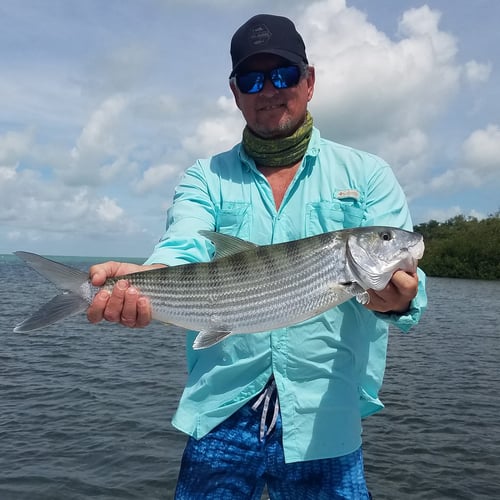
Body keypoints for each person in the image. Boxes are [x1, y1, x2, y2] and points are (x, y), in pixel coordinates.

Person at [87, 14, 427, 499]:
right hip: (222, 411)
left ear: (309, 82)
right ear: (235, 92)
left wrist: (394, 298)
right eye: (252, 79)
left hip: (324, 418)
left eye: (284, 75)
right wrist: (148, 280)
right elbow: (180, 246)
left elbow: (412, 297)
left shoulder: (368, 174)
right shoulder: (206, 177)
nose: (269, 90)